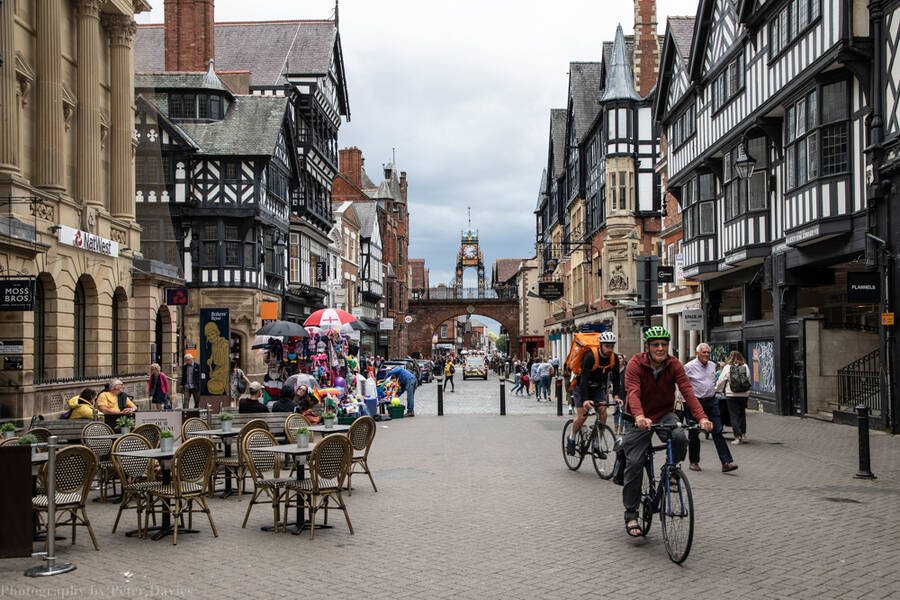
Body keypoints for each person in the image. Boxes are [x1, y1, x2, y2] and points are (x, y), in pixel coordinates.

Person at [622, 326, 712, 538]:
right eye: (656, 344)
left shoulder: (674, 365)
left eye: (664, 344)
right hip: (638, 417)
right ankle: (631, 513)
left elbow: (687, 391)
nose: (660, 348)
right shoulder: (635, 363)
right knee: (634, 463)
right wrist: (639, 416)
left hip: (664, 414)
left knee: (680, 435)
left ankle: (670, 470)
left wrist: (702, 417)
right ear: (647, 347)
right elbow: (633, 392)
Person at [684, 343, 738, 473]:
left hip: (711, 401)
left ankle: (726, 462)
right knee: (694, 433)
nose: (706, 355)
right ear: (698, 353)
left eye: (708, 352)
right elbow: (683, 384)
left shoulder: (712, 365)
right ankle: (694, 462)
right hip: (695, 402)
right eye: (704, 352)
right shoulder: (689, 367)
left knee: (717, 430)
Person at [566, 332, 623, 456]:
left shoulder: (613, 358)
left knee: (603, 412)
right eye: (607, 346)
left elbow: (616, 379)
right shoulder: (591, 356)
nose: (609, 349)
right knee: (583, 416)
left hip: (597, 388)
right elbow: (584, 379)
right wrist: (586, 400)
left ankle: (597, 443)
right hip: (581, 387)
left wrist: (616, 397)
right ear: (601, 345)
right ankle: (572, 437)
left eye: (612, 346)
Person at [717, 350, 750, 444]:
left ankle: (737, 437)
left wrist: (718, 389)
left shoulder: (727, 367)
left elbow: (721, 380)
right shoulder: (745, 366)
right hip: (744, 394)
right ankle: (743, 434)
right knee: (742, 414)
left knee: (734, 415)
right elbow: (748, 379)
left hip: (731, 394)